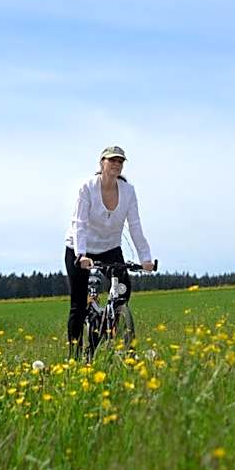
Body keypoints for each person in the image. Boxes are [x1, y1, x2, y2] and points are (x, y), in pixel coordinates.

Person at [64, 145, 155, 347]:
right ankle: (75, 357)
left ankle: (106, 334)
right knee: (78, 305)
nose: (116, 164)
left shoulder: (128, 191)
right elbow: (78, 223)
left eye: (120, 161)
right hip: (80, 248)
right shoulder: (87, 188)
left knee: (123, 291)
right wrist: (81, 255)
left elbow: (135, 225)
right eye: (112, 160)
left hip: (110, 248)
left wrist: (145, 258)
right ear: (101, 163)